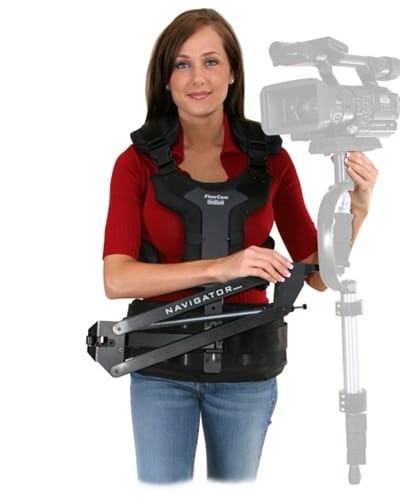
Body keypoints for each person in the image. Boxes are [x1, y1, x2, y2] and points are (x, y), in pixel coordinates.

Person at [102, 8, 378, 484]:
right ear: (165, 78)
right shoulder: (136, 162)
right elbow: (117, 278)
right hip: (160, 368)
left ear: (233, 72)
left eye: (211, 61)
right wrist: (223, 266)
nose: (197, 78)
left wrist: (358, 208)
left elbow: (318, 275)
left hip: (246, 368)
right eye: (182, 64)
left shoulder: (271, 160)